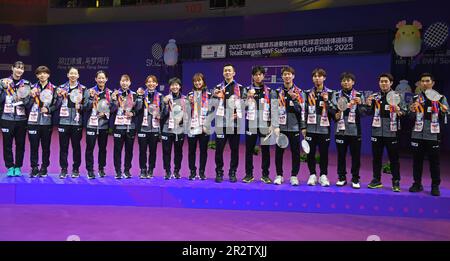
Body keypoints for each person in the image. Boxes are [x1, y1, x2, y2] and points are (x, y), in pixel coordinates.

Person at [408, 73, 448, 196]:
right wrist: (412, 111)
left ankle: (435, 185)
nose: (424, 83)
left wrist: (444, 112)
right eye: (422, 81)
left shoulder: (441, 98)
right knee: (417, 161)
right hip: (417, 134)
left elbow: (446, 117)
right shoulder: (415, 98)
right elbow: (410, 118)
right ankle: (417, 183)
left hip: (433, 134)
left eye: (427, 81)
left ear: (433, 83)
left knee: (434, 162)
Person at [366, 73, 406, 192]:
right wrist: (368, 105)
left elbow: (405, 112)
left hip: (392, 132)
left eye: (386, 81)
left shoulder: (398, 96)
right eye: (381, 81)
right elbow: (368, 113)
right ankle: (376, 179)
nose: (383, 83)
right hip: (377, 132)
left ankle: (396, 181)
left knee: (394, 158)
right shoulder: (374, 97)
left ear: (391, 83)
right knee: (376, 158)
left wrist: (400, 111)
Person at [332, 72, 368, 189]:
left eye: (348, 80)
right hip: (340, 131)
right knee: (341, 156)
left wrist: (361, 103)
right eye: (344, 80)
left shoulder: (358, 95)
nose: (346, 82)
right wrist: (335, 115)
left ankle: (355, 178)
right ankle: (341, 177)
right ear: (341, 82)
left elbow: (363, 113)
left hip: (355, 131)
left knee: (355, 156)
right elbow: (332, 111)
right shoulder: (336, 95)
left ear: (353, 82)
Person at [272, 66, 305, 186]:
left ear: (293, 76)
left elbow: (301, 111)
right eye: (285, 74)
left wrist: (295, 100)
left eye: (289, 74)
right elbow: (273, 110)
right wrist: (275, 126)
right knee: (279, 152)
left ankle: (294, 176)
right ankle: (279, 175)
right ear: (282, 77)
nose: (287, 76)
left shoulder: (299, 92)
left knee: (295, 152)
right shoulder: (276, 92)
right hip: (280, 128)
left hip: (294, 128)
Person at [211, 64, 244, 183]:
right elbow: (211, 105)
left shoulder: (240, 88)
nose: (227, 72)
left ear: (234, 73)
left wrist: (238, 114)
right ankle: (219, 172)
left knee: (234, 150)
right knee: (219, 149)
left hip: (234, 124)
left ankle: (232, 172)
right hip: (221, 124)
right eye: (225, 71)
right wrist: (215, 96)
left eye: (230, 70)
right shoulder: (217, 88)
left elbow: (245, 104)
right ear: (223, 73)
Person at [241, 66, 274, 184]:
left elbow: (273, 109)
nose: (258, 76)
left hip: (265, 125)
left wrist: (272, 125)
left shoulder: (269, 91)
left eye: (260, 74)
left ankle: (265, 175)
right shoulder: (246, 90)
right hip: (251, 124)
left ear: (264, 76)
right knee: (249, 150)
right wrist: (248, 98)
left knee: (265, 150)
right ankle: (249, 174)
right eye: (256, 74)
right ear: (252, 76)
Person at [304, 68, 336, 187]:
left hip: (324, 129)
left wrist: (327, 101)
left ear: (324, 78)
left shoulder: (331, 93)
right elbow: (304, 111)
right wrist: (303, 127)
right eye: (315, 76)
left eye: (320, 76)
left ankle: (323, 175)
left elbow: (334, 111)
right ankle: (312, 174)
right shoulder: (307, 93)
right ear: (312, 78)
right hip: (310, 129)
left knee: (324, 153)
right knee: (310, 153)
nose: (317, 78)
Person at [0, 61, 32, 177]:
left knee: (20, 144)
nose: (19, 70)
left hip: (21, 119)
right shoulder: (3, 82)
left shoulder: (27, 84)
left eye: (22, 68)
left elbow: (29, 103)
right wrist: (3, 89)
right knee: (7, 144)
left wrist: (22, 99)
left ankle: (18, 166)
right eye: (17, 68)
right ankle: (10, 167)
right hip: (6, 118)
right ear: (12, 68)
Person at [27, 66, 59, 178]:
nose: (42, 75)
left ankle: (44, 167)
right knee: (33, 146)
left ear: (48, 75)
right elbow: (26, 104)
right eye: (39, 73)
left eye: (44, 73)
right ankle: (34, 167)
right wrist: (30, 96)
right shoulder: (31, 88)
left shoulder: (54, 88)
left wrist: (49, 109)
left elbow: (57, 104)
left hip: (46, 122)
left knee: (46, 146)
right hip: (33, 121)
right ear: (36, 75)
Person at [56, 67, 87, 179]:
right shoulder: (61, 88)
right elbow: (56, 105)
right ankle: (63, 169)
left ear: (78, 76)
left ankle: (75, 169)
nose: (73, 75)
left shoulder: (83, 89)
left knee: (76, 147)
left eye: (75, 74)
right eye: (71, 73)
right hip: (63, 122)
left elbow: (87, 106)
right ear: (68, 75)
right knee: (63, 147)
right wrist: (59, 97)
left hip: (76, 122)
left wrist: (81, 106)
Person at [84, 70, 114, 179]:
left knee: (103, 148)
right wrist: (91, 98)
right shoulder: (89, 91)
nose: (101, 80)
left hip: (103, 125)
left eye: (103, 78)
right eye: (99, 78)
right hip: (91, 124)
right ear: (95, 79)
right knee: (90, 148)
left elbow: (113, 109)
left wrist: (106, 112)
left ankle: (101, 169)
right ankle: (90, 170)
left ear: (106, 79)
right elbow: (85, 107)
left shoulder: (110, 93)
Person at [111, 74, 139, 179]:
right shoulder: (115, 94)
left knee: (129, 150)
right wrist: (114, 100)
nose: (125, 83)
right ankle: (118, 171)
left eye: (127, 81)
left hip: (130, 127)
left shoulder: (134, 95)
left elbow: (138, 110)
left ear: (130, 82)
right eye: (123, 81)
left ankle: (127, 170)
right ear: (120, 82)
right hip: (118, 126)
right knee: (117, 150)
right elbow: (111, 110)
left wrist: (133, 114)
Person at [185, 73, 212, 181]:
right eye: (195, 81)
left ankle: (201, 172)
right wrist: (189, 104)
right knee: (191, 151)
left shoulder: (209, 95)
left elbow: (212, 111)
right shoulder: (190, 95)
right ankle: (192, 171)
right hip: (192, 127)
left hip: (204, 127)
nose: (197, 83)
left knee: (203, 151)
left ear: (203, 81)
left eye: (199, 80)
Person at [136, 75, 162, 179]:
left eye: (153, 82)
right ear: (146, 84)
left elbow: (164, 111)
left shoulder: (160, 96)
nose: (151, 84)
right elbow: (137, 109)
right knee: (142, 150)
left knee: (153, 151)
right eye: (149, 82)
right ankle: (143, 169)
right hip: (143, 127)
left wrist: (161, 114)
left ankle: (151, 169)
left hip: (154, 128)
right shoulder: (142, 95)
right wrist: (139, 97)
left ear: (156, 84)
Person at [161, 77, 187, 180]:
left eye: (176, 85)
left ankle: (176, 171)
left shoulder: (184, 99)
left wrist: (181, 120)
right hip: (167, 128)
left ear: (180, 86)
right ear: (170, 87)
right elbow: (162, 115)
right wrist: (166, 104)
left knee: (178, 151)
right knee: (166, 151)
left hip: (179, 129)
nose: (174, 87)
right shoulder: (166, 98)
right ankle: (167, 171)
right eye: (172, 85)